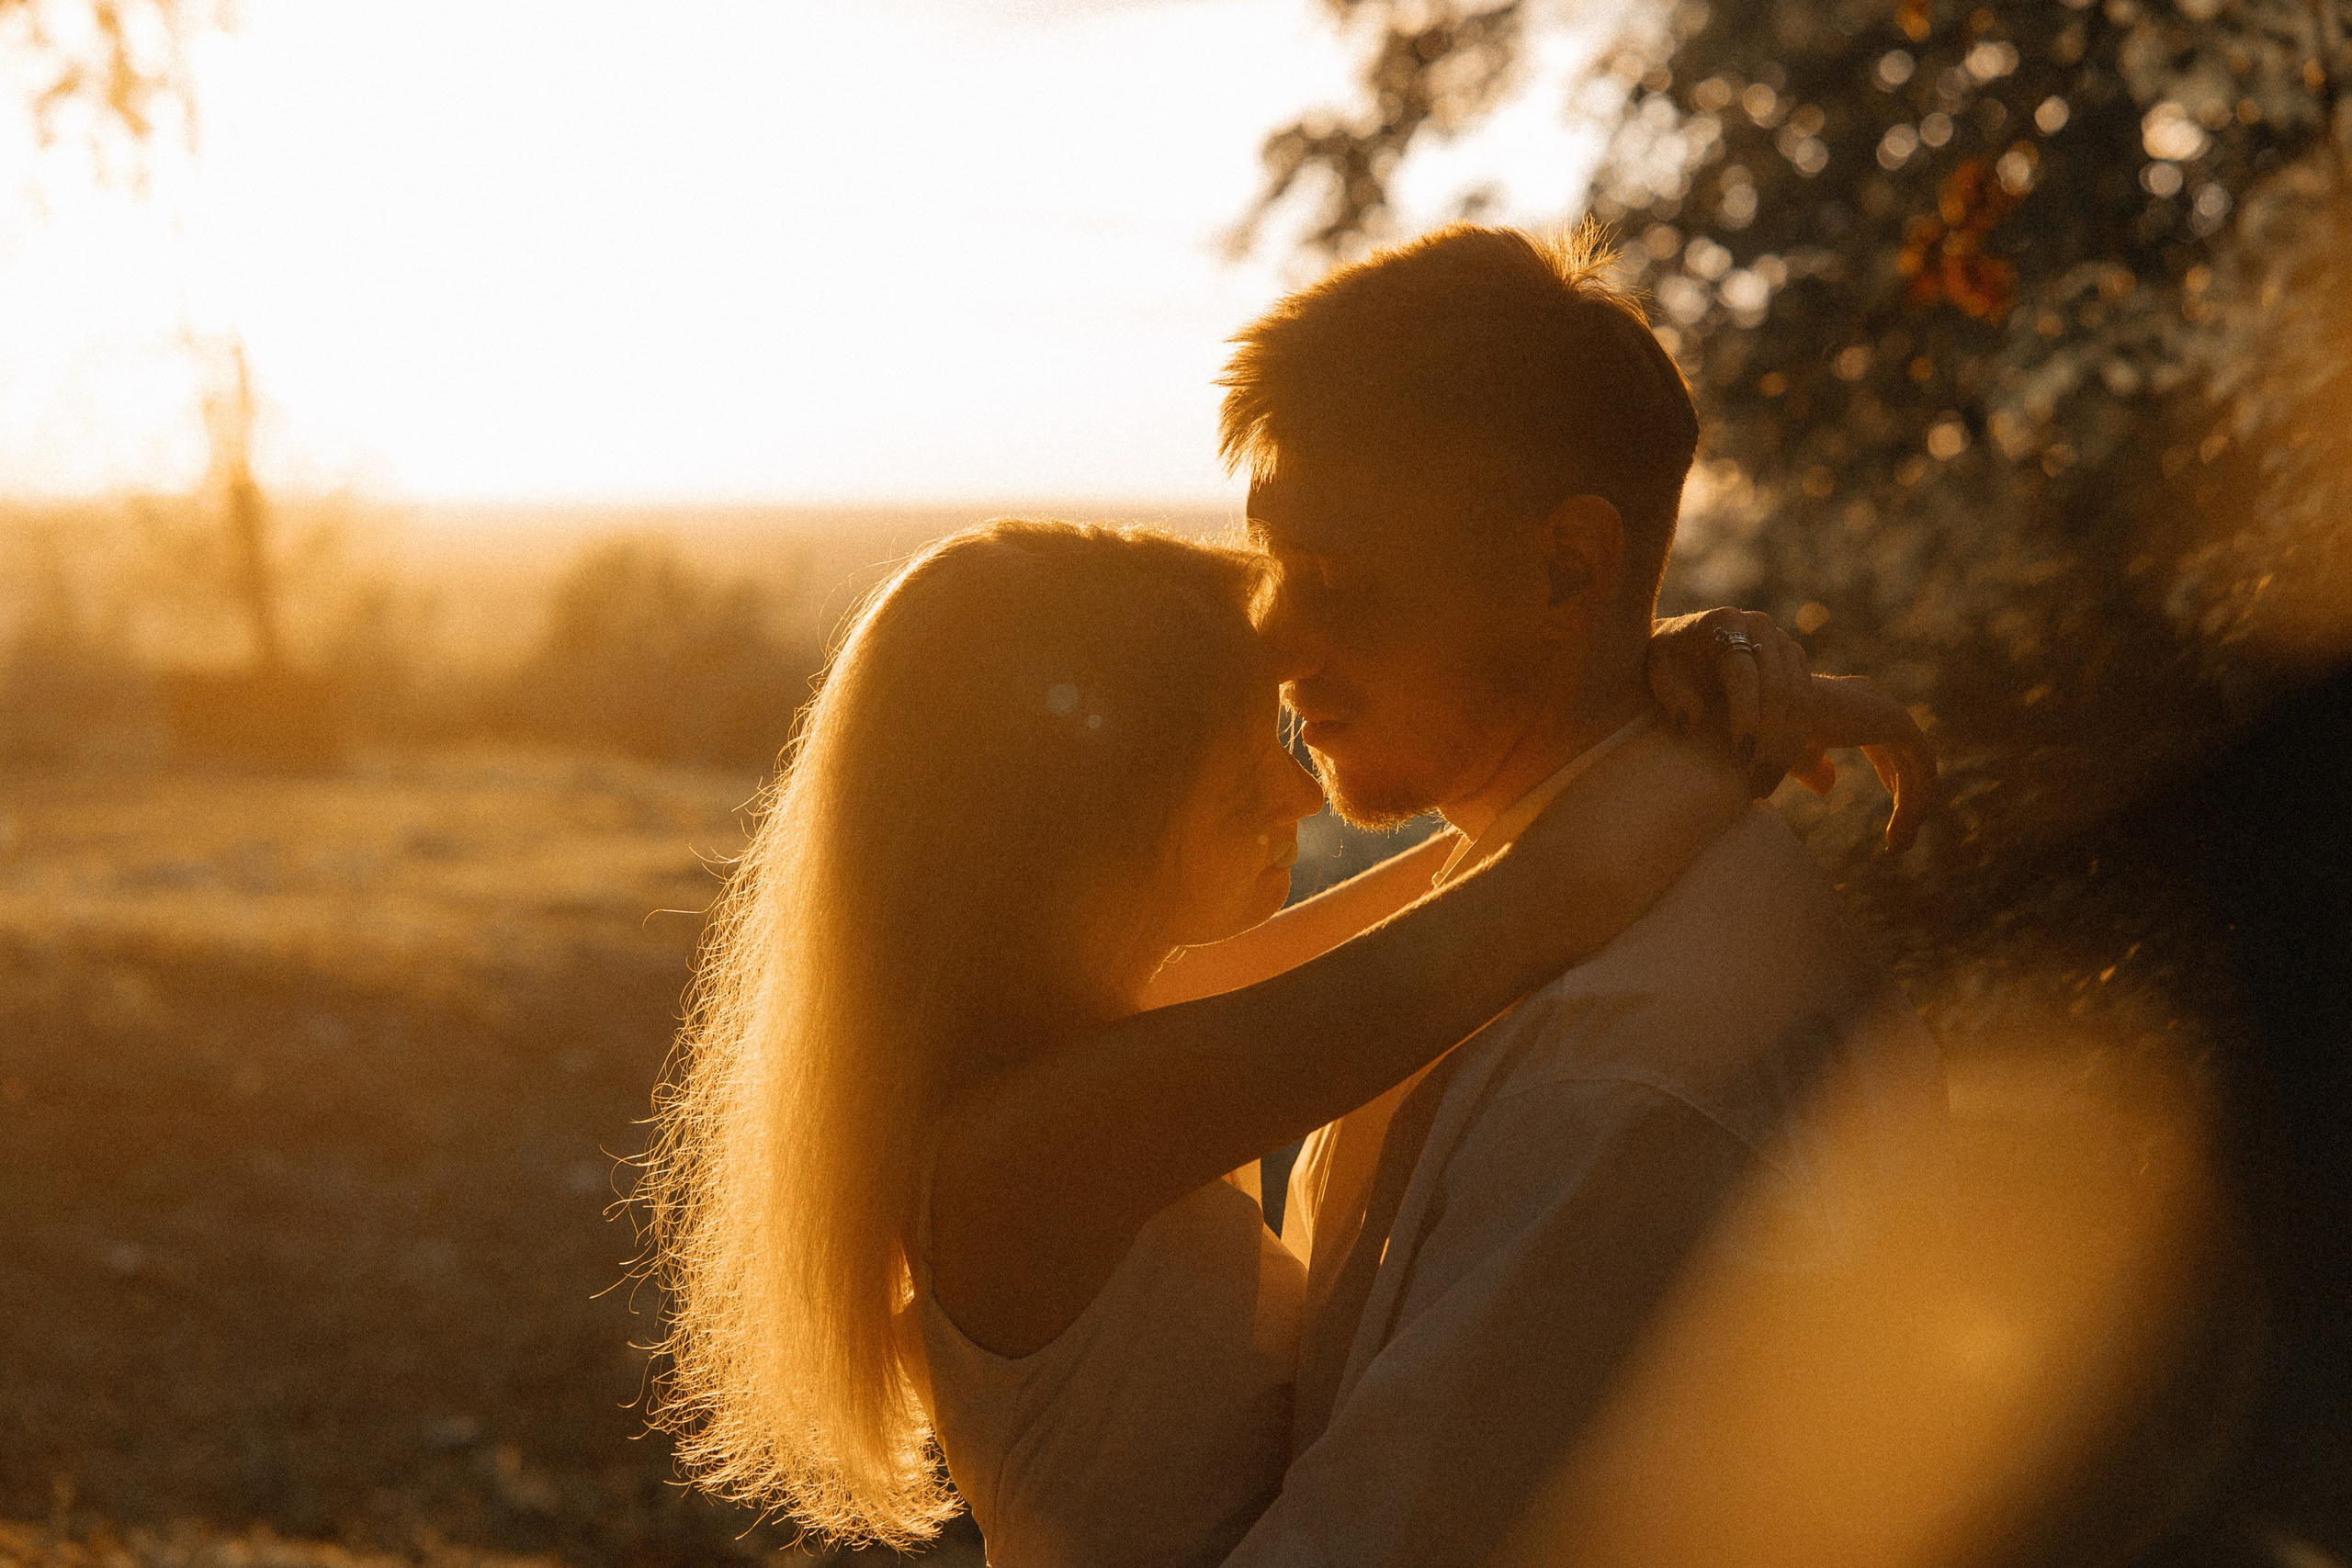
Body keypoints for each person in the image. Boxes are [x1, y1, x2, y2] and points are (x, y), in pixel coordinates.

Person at [637, 518, 1924, 1567]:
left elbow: (1478, 877)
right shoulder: (1050, 1138)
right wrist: (1739, 726)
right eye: (1240, 760)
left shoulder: (1065, 1048)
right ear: (1087, 818)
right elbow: (1526, 909)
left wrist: (1641, 687)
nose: (1300, 788)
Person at [1152, 221, 1948, 1566]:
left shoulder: (1625, 1078)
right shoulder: (1532, 896)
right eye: (1273, 572)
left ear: (1569, 567)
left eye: (1338, 581)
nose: (1281, 645)